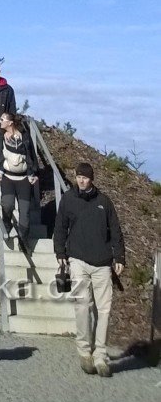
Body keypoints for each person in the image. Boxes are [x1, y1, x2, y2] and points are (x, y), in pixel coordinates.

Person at [53, 161, 125, 377]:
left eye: (85, 177)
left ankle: (100, 355)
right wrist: (60, 253)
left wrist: (119, 256)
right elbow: (60, 227)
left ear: (92, 178)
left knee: (104, 310)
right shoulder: (68, 199)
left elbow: (116, 229)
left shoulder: (104, 202)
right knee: (83, 306)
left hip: (103, 263)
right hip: (78, 261)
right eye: (78, 177)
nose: (81, 180)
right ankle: (84, 352)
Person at [0, 110, 39, 247]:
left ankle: (23, 240)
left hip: (24, 179)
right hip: (7, 177)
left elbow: (32, 156)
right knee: (7, 204)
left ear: (10, 122)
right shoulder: (0, 136)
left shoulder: (24, 137)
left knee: (24, 213)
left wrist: (33, 173)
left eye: (2, 119)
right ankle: (6, 224)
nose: (0, 121)